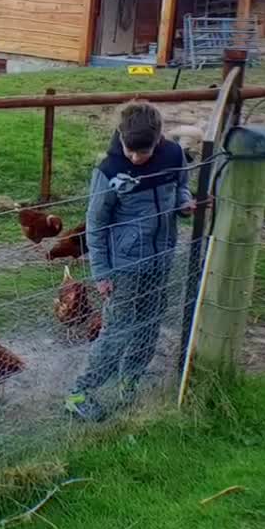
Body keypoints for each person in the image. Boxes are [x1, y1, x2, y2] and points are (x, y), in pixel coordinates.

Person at [65, 102, 194, 422]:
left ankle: (130, 377)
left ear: (160, 138)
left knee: (150, 324)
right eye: (130, 150)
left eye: (144, 152)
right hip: (123, 267)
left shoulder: (174, 156)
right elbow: (95, 223)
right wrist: (102, 273)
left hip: (161, 258)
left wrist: (184, 203)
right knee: (118, 330)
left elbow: (181, 187)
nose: (136, 158)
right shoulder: (109, 171)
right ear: (120, 137)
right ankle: (80, 392)